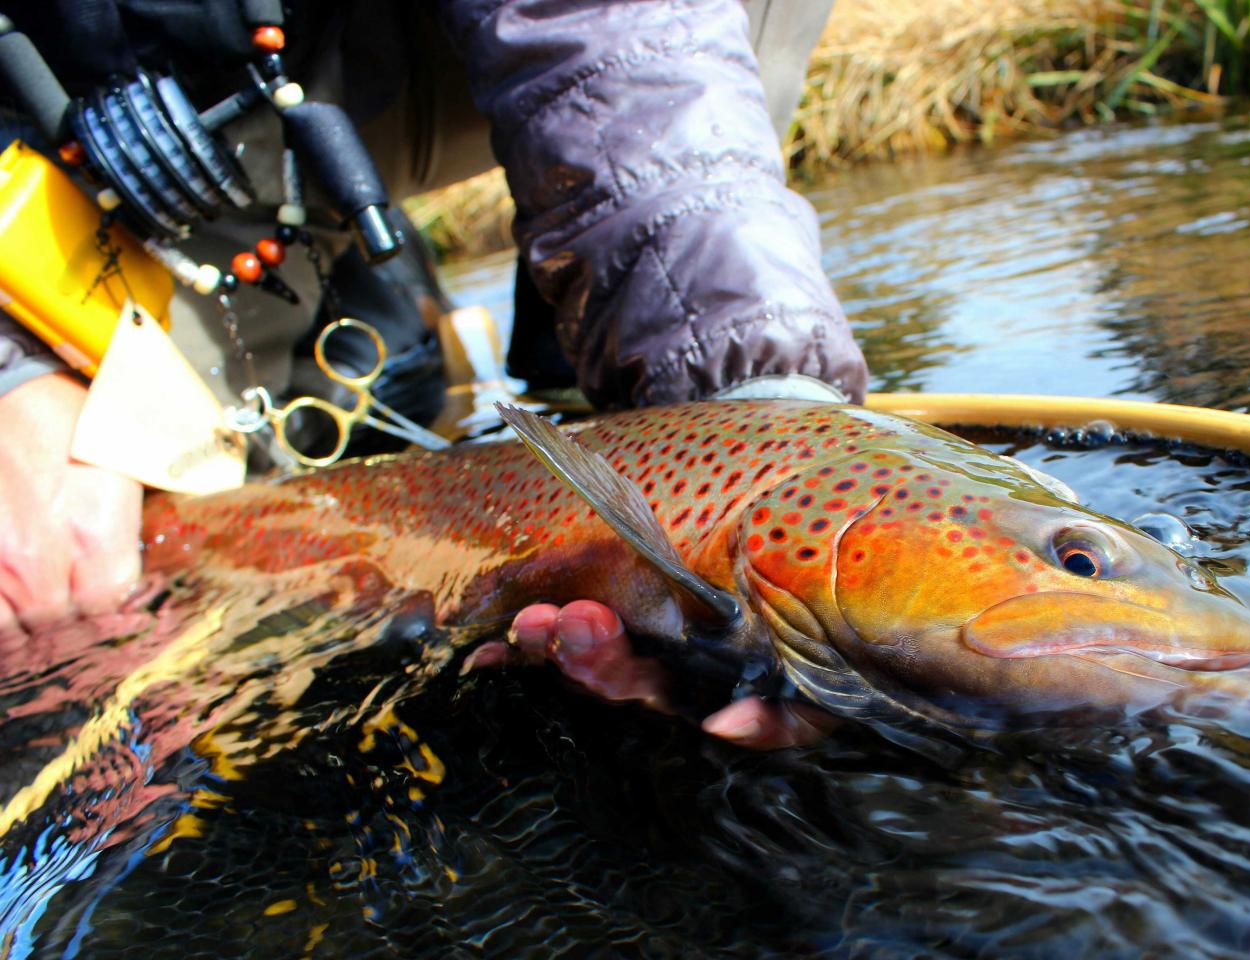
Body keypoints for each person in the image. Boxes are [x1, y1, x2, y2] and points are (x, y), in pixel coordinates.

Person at [0, 0, 867, 746]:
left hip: (381, 57)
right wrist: (15, 364)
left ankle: (605, 371)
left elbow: (620, 41)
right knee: (96, 559)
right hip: (75, 134)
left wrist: (752, 396)